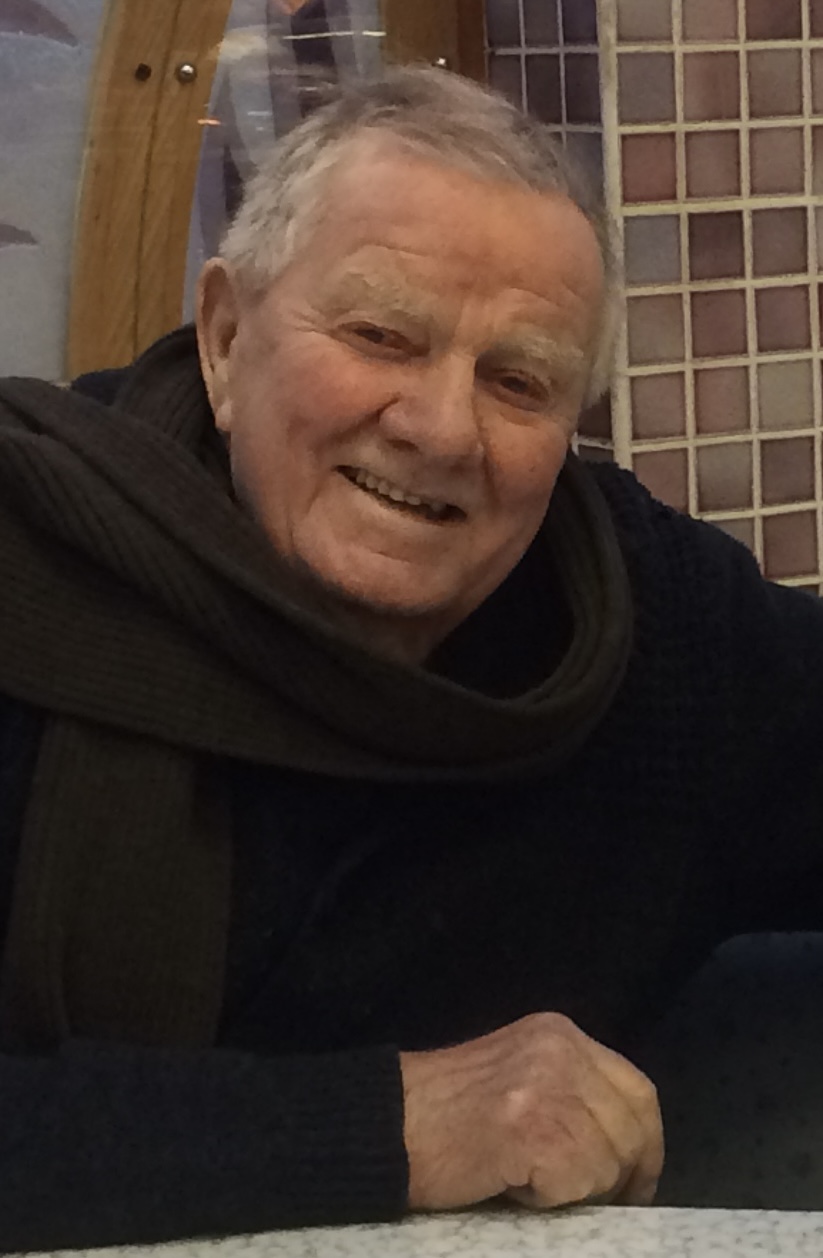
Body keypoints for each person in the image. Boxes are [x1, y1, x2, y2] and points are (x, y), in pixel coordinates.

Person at [0, 65, 821, 1253]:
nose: (440, 428)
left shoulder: (652, 636)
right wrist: (395, 1124)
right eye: (381, 335)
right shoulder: (31, 563)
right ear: (225, 339)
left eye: (518, 381)